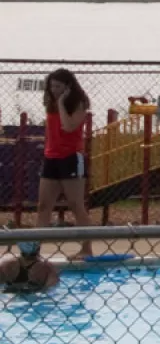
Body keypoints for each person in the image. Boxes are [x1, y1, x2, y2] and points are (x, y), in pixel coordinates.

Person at [38, 69, 94, 258]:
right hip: (51, 157)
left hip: (71, 157)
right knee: (44, 205)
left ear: (68, 87)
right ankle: (34, 251)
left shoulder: (78, 103)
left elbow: (69, 127)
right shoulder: (50, 102)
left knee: (75, 204)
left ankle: (86, 249)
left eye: (59, 87)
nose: (54, 90)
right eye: (52, 86)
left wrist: (62, 103)